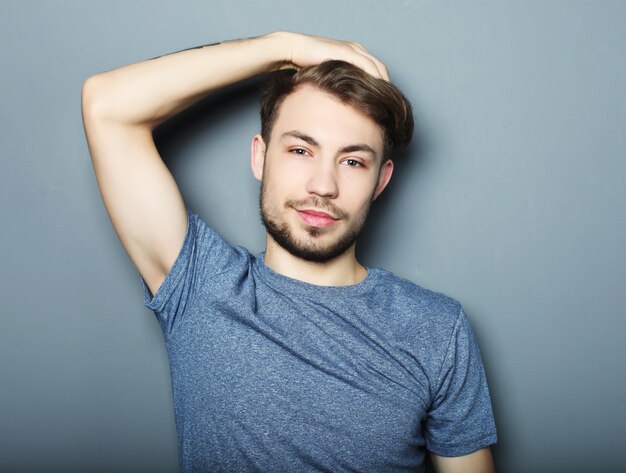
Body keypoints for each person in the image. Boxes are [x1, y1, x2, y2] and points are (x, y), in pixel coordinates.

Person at [81, 31, 497, 473]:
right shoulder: (200, 285)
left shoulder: (436, 329)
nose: (323, 185)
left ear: (381, 180)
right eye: (301, 150)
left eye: (353, 161)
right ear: (260, 158)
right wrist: (286, 47)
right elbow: (106, 106)